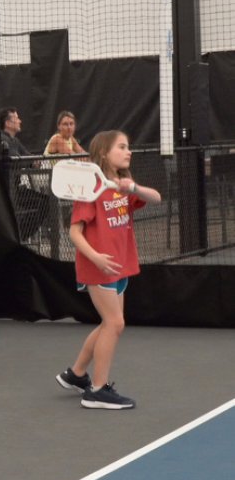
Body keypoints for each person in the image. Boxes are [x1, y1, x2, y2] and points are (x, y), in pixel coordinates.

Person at [55, 130, 161, 409]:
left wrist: (133, 188)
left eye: (129, 146)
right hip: (99, 267)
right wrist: (96, 258)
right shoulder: (91, 188)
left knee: (108, 324)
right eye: (122, 147)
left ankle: (76, 375)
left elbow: (157, 198)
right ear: (104, 153)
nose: (129, 152)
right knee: (115, 324)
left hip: (120, 265)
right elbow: (75, 232)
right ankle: (97, 391)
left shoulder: (121, 186)